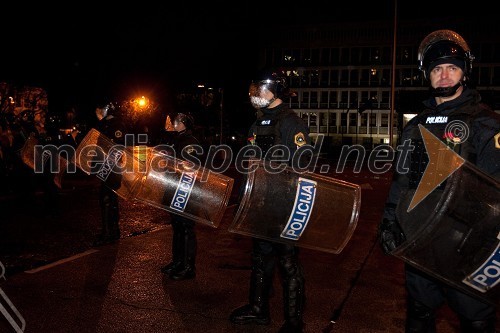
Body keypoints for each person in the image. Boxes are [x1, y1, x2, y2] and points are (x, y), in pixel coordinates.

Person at [378, 29, 500, 332]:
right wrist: (390, 220)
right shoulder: (415, 126)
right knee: (419, 312)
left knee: (475, 319)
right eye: (437, 69)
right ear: (427, 74)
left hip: (467, 247)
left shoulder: (486, 124)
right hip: (421, 239)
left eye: (452, 67)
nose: (444, 75)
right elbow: (403, 180)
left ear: (465, 72)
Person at [229, 70, 311, 333]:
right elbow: (251, 163)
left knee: (287, 262)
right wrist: (245, 196)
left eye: (261, 89)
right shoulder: (257, 124)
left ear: (277, 90)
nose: (256, 94)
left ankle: (294, 321)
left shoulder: (291, 122)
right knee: (260, 258)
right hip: (261, 202)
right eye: (254, 89)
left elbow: (303, 163)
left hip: (284, 205)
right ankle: (258, 309)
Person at [160, 112, 200, 280]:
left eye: (176, 121)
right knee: (177, 227)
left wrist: (169, 162)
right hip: (174, 188)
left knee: (186, 229)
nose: (173, 124)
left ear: (184, 123)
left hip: (186, 190)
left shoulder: (190, 142)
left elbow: (190, 167)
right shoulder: (176, 139)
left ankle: (188, 267)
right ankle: (177, 262)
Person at [94, 102, 127, 245]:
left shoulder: (115, 125)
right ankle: (113, 231)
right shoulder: (105, 125)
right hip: (106, 166)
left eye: (100, 109)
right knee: (108, 199)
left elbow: (116, 147)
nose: (97, 112)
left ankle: (109, 233)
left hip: (112, 168)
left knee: (107, 199)